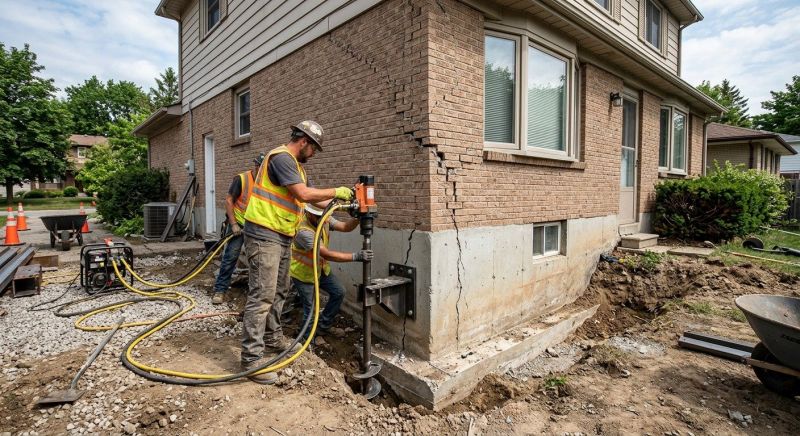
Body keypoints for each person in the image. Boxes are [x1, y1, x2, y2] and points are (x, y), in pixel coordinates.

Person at [240, 120, 354, 385]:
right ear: (304, 142)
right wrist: (337, 190)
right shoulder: (281, 158)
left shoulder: (298, 168)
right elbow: (304, 195)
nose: (313, 154)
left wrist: (347, 205)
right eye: (314, 149)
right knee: (262, 295)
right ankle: (251, 360)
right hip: (263, 233)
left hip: (281, 236)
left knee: (279, 290)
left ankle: (272, 337)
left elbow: (317, 199)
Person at [290, 204, 372, 342]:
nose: (323, 219)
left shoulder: (324, 218)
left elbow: (346, 227)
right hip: (304, 275)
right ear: (309, 214)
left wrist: (357, 217)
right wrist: (356, 256)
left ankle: (323, 326)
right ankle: (305, 341)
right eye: (318, 216)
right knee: (311, 310)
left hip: (320, 270)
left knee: (339, 292)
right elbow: (327, 254)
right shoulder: (304, 231)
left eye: (323, 215)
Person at [211, 153, 263, 305]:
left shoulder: (265, 183)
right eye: (261, 167)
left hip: (255, 227)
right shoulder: (242, 179)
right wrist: (233, 224)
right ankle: (220, 290)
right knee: (230, 258)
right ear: (256, 165)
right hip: (238, 225)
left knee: (257, 260)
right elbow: (228, 201)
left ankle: (255, 292)